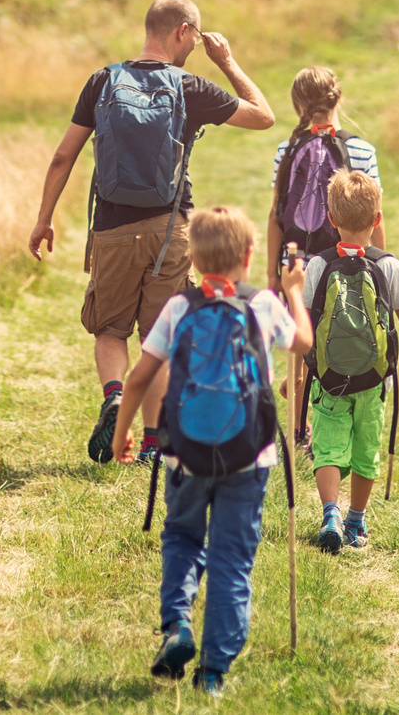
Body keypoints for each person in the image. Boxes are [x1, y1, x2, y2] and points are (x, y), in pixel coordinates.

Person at [28, 0, 275, 466]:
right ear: (183, 31)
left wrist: (44, 218)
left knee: (110, 327)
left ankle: (115, 395)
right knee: (159, 334)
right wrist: (227, 61)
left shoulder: (103, 81)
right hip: (170, 231)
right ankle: (151, 444)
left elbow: (64, 155)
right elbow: (262, 115)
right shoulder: (188, 86)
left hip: (112, 229)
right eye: (196, 38)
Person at [110, 205, 312, 697]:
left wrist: (123, 433)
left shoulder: (178, 308)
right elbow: (303, 343)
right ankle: (214, 671)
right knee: (231, 559)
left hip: (184, 453)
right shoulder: (263, 304)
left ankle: (178, 624)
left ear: (194, 261)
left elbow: (138, 378)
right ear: (248, 256)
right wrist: (293, 292)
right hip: (250, 456)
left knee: (181, 537)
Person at [302, 170, 399, 554]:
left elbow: (305, 326)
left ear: (331, 219)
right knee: (365, 450)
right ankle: (356, 521)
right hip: (373, 382)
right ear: (378, 219)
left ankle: (331, 512)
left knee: (328, 447)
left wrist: (301, 375)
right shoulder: (388, 266)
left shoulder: (317, 267)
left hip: (328, 379)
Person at [265, 66, 380, 448]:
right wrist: (379, 262)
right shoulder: (361, 150)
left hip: (296, 262)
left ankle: (297, 432)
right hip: (340, 263)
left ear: (298, 103)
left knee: (299, 346)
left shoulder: (287, 150)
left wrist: (272, 274)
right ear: (338, 98)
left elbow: (276, 215)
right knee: (333, 339)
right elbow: (375, 213)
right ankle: (330, 420)